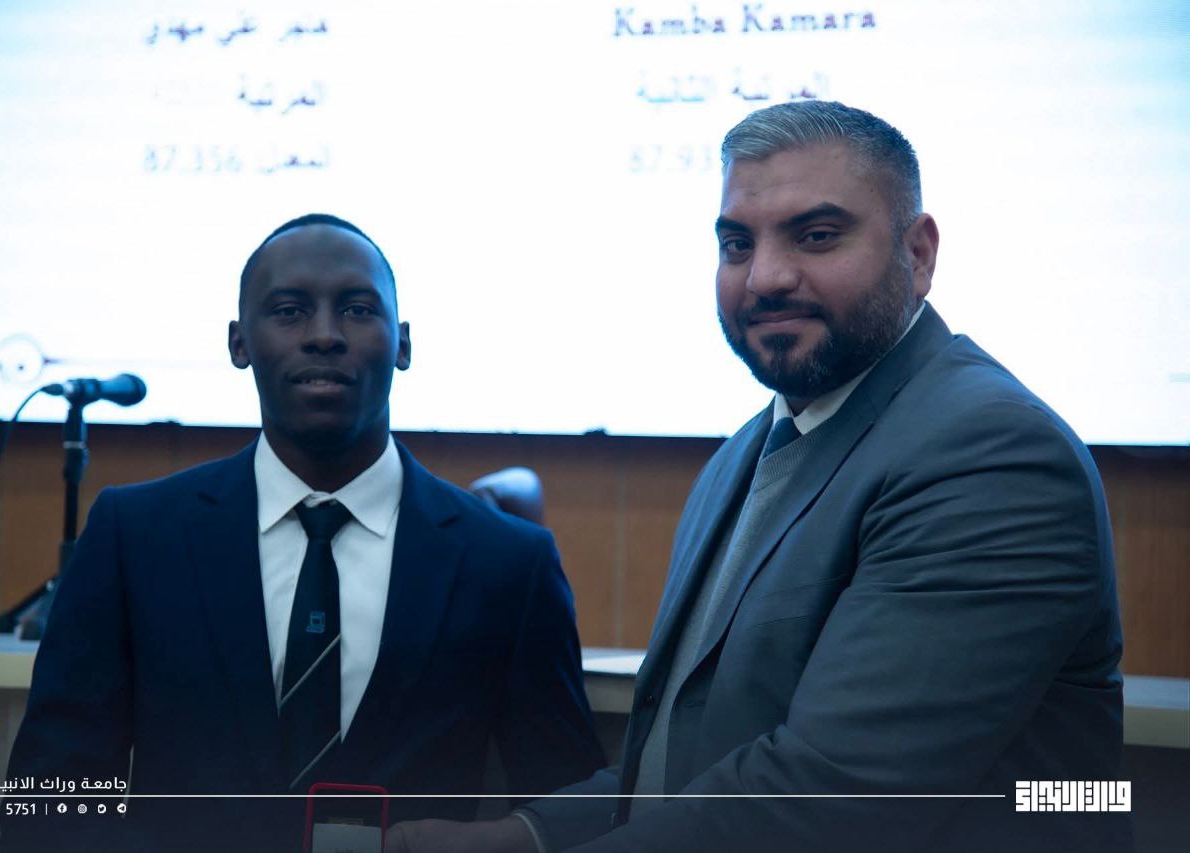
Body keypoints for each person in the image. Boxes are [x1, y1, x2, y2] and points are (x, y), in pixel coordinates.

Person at [386, 102, 1130, 852]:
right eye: (737, 244)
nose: (765, 278)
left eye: (817, 235)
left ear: (919, 254)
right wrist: (523, 835)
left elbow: (831, 797)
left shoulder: (989, 454)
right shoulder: (746, 452)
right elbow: (689, 761)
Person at [1, 213, 604, 852]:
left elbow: (564, 810)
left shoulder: (508, 562)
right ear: (239, 343)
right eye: (289, 311)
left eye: (357, 310)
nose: (323, 335)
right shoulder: (136, 537)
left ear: (402, 344)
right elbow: (49, 803)